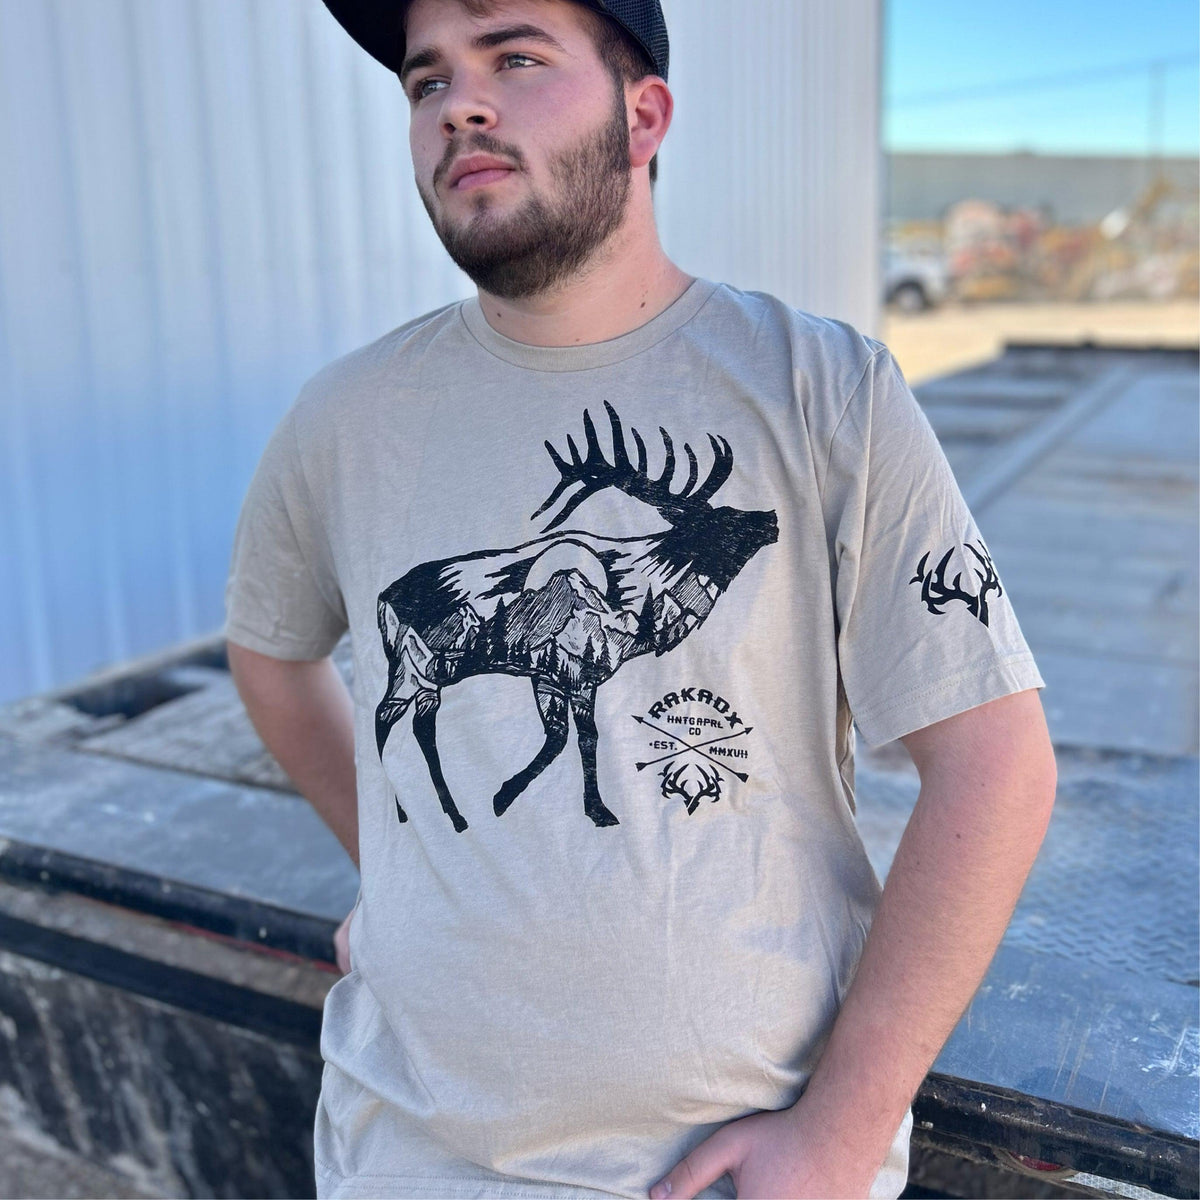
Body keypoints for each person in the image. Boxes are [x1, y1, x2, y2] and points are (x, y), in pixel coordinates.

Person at [222, 1, 1057, 1196]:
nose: (460, 104)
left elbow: (996, 765)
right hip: (411, 1150)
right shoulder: (345, 419)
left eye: (516, 56)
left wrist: (840, 1131)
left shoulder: (824, 390)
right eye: (426, 81)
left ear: (645, 115)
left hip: (731, 1159)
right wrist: (393, 871)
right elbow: (271, 653)